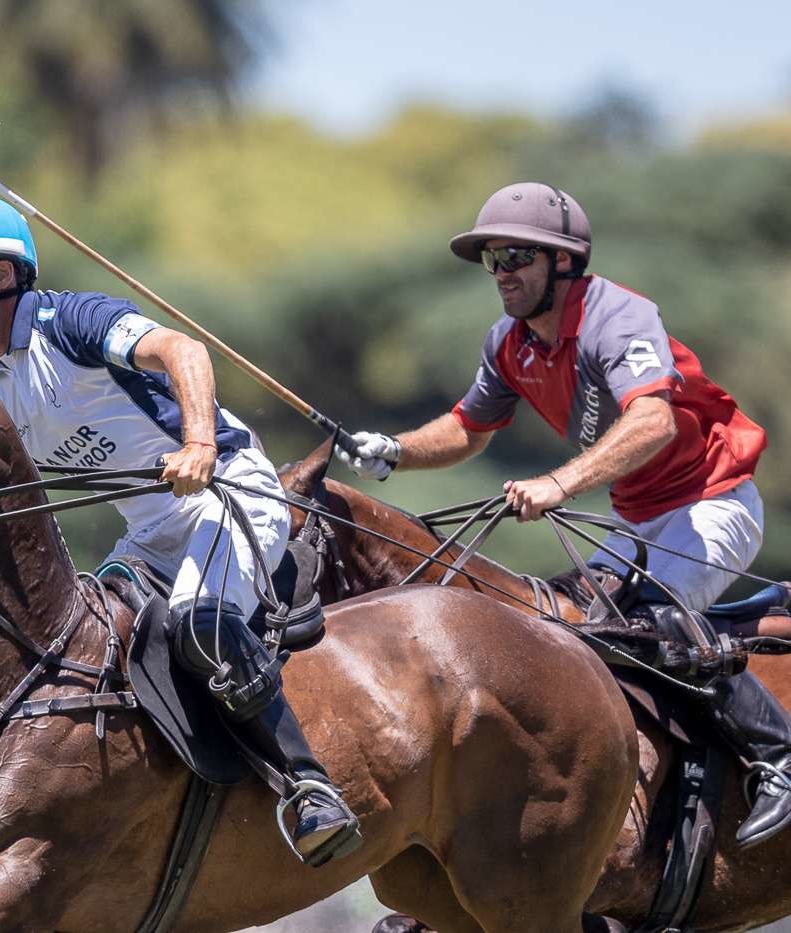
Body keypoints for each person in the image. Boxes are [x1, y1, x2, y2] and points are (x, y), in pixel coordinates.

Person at [0, 192, 362, 864]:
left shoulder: (72, 320)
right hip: (150, 531)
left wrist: (198, 442)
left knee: (201, 616)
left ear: (0, 275)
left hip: (229, 490)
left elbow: (183, 350)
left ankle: (308, 786)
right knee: (91, 644)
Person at [336, 181, 790, 848]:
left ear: (564, 262)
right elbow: (469, 428)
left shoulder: (618, 318)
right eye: (494, 259)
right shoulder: (509, 343)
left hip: (713, 501)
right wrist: (394, 451)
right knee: (561, 626)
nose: (503, 274)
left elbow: (655, 420)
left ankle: (779, 757)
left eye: (517, 256)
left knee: (653, 629)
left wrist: (560, 482)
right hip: (633, 520)